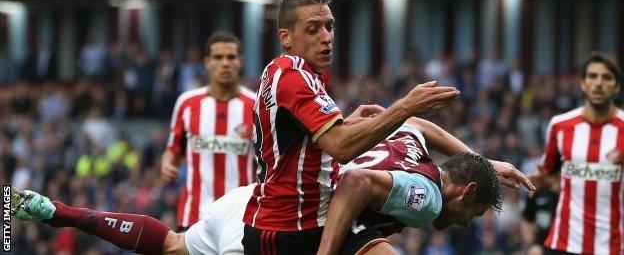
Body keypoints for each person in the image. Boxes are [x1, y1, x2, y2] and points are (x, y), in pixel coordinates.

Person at [244, 0, 532, 253]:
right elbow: (342, 148)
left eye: (329, 26)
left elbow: (417, 126)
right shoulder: (296, 77)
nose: (326, 37)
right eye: (313, 29)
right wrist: (406, 105)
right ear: (286, 37)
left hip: (319, 214)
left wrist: (485, 164)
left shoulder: (293, 72)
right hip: (288, 227)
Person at [10, 117, 503, 255]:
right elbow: (353, 183)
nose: (464, 224)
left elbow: (416, 121)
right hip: (269, 231)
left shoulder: (411, 146)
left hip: (247, 200)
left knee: (171, 243)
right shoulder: (429, 198)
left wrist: (485, 161)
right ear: (465, 194)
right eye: (474, 214)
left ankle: (54, 211)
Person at [161, 31, 256, 231]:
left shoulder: (256, 106)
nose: (225, 63)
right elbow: (173, 150)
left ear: (240, 61)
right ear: (207, 61)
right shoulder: (187, 103)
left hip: (240, 220)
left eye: (230, 57)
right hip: (193, 218)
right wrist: (167, 164)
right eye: (218, 57)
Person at [531, 53, 624, 254]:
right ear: (582, 83)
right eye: (592, 76)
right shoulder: (559, 126)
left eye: (606, 77)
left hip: (613, 246)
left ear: (616, 86)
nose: (598, 83)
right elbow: (546, 174)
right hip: (564, 243)